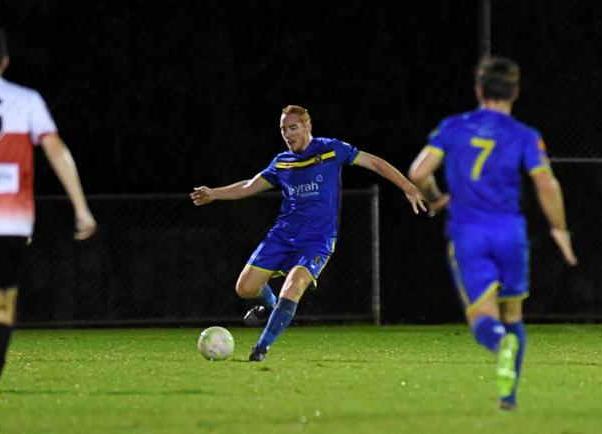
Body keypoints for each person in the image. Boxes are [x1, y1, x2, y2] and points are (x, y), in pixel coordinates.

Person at [191, 104, 425, 361]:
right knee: (245, 288)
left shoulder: (331, 149)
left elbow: (375, 163)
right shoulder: (282, 162)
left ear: (307, 127)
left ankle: (261, 347)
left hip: (317, 240)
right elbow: (248, 185)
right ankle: (271, 309)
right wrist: (213, 193)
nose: (288, 134)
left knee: (294, 285)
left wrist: (408, 186)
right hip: (283, 235)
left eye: (293, 127)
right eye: (283, 130)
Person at [408, 56, 577, 410]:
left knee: (483, 319)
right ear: (515, 92)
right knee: (513, 314)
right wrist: (559, 229)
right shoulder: (524, 135)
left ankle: (499, 343)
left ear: (479, 89)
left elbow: (419, 172)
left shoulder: (453, 127)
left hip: (469, 233)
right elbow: (546, 182)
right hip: (510, 233)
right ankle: (507, 396)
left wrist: (437, 198)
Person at [0, 25, 97, 430]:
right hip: (9, 222)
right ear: (4, 61)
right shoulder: (26, 100)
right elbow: (55, 148)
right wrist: (81, 207)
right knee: (1, 306)